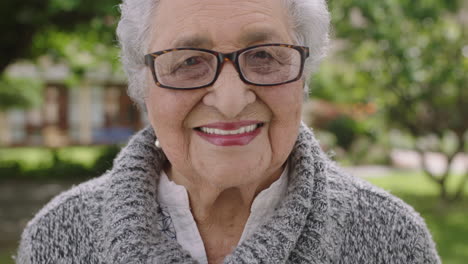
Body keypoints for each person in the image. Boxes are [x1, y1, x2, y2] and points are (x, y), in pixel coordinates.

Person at [17, 0, 441, 263]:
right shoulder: (59, 235)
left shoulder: (390, 236)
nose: (231, 99)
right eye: (188, 61)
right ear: (143, 84)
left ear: (303, 76)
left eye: (263, 56)